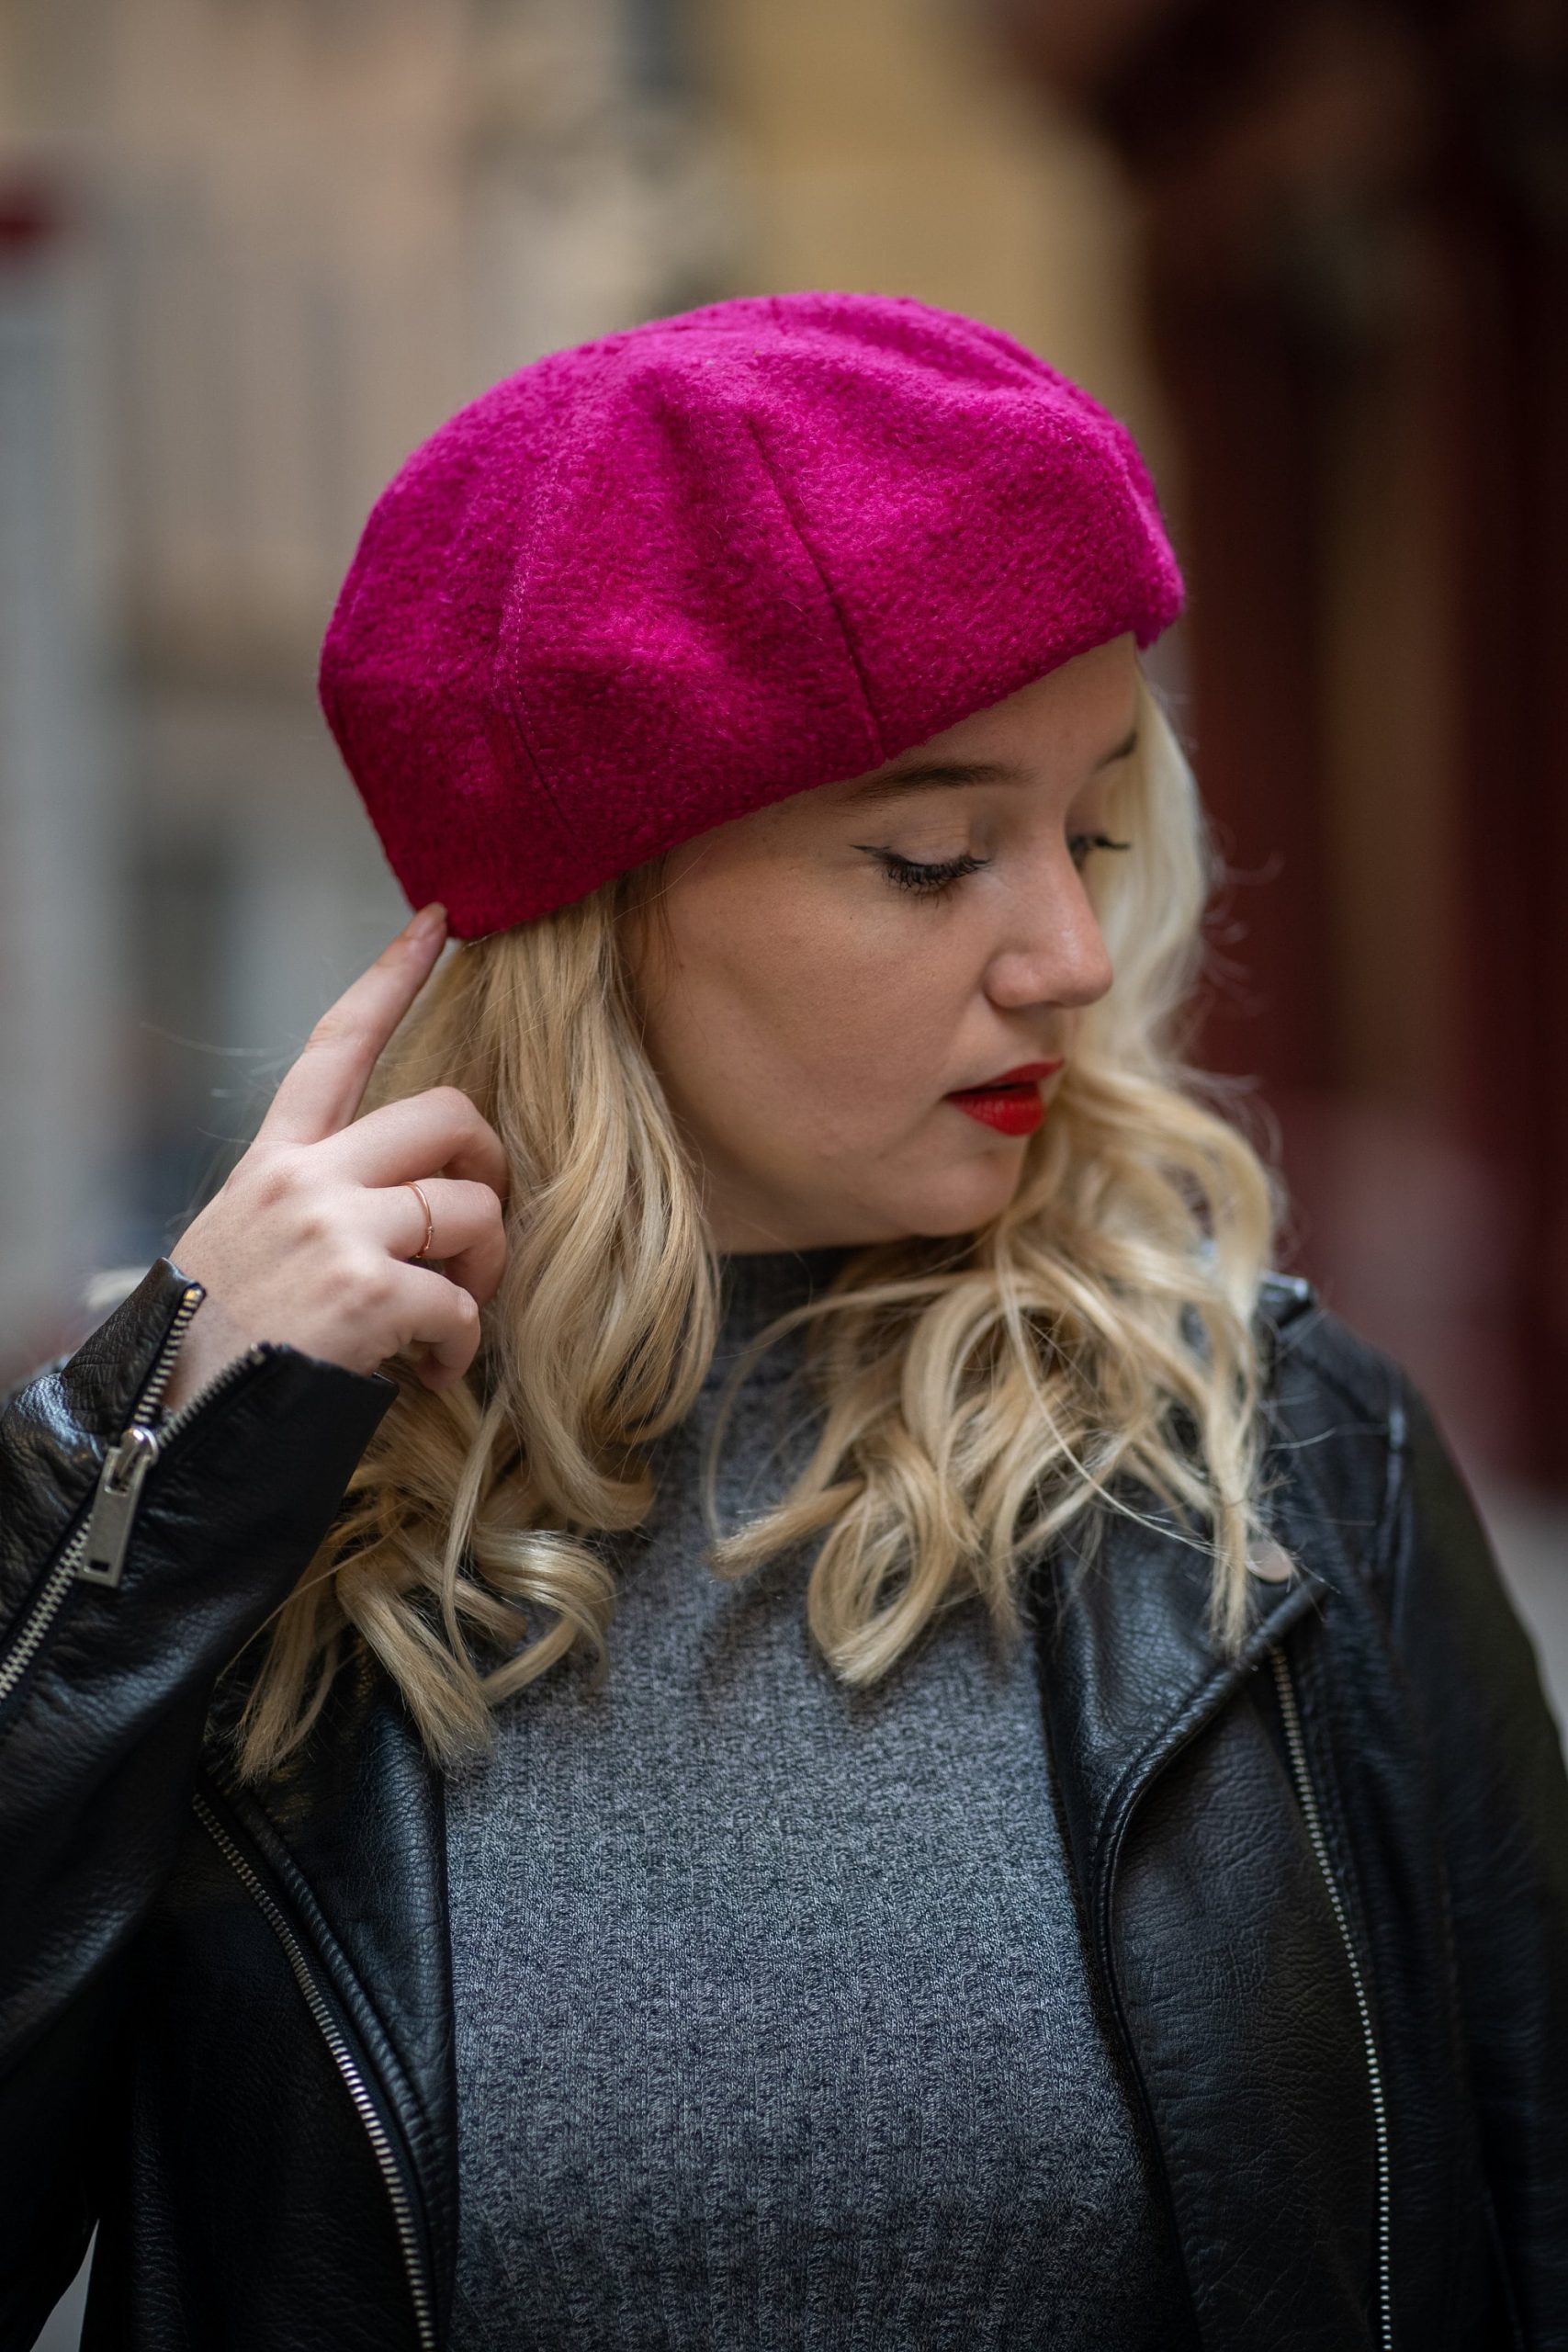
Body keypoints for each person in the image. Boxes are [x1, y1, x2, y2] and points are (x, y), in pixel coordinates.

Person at [1, 290, 1563, 2352]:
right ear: (592, 917)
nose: (1072, 953)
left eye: (1090, 823)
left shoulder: (1291, 1456)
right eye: (932, 857)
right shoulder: (224, 1504)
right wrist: (157, 1491)